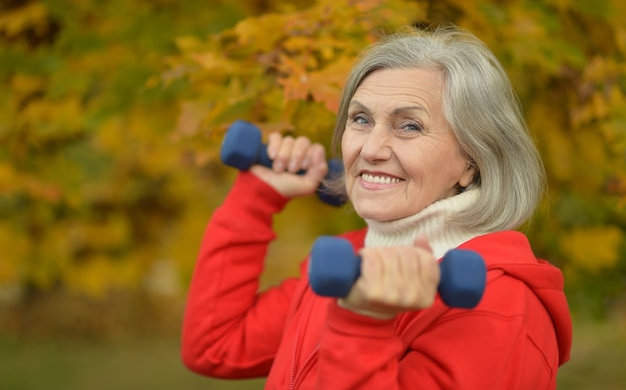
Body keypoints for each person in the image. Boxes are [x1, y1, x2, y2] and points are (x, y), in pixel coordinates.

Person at [181, 25, 572, 390]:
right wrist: (257, 198)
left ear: (472, 161)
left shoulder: (499, 305)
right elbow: (215, 345)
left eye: (409, 126)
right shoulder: (354, 258)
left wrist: (364, 324)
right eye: (361, 119)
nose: (369, 149)